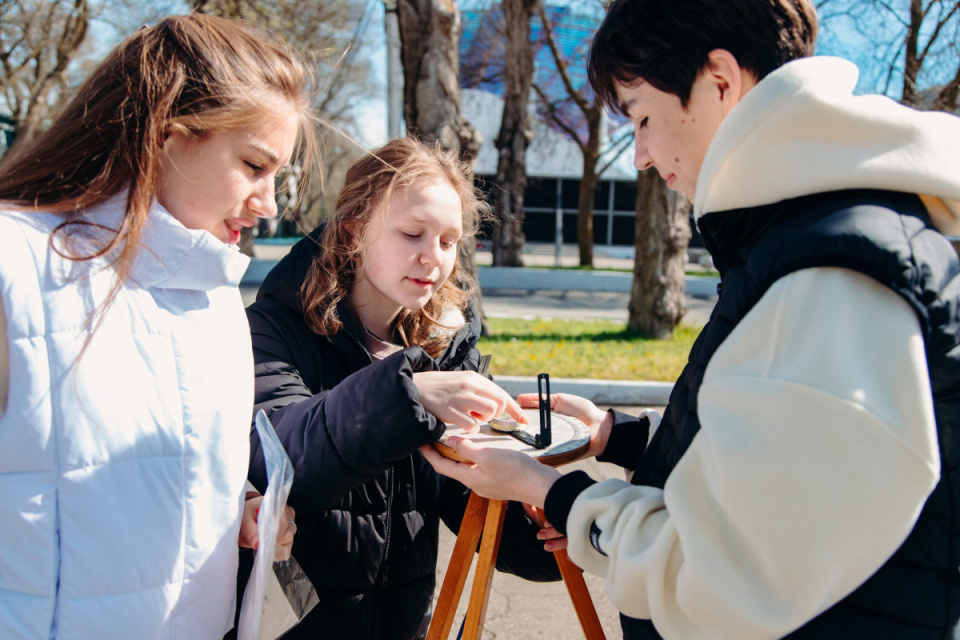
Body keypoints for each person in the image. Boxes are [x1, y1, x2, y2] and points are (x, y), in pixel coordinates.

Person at [421, 0, 960, 638]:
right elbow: (780, 478)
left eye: (643, 117)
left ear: (720, 82)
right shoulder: (823, 237)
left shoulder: (830, 268)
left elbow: (721, 577)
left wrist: (547, 492)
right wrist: (620, 437)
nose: (640, 156)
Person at [0, 14, 312, 639]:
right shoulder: (15, 264)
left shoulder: (216, 296)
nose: (270, 203)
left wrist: (239, 512)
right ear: (167, 135)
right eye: (254, 165)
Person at [241, 135, 561, 640]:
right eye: (412, 233)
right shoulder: (274, 328)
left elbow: (471, 495)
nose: (433, 257)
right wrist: (407, 396)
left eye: (449, 241)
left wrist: (547, 527)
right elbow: (282, 457)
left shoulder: (448, 343)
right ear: (353, 230)